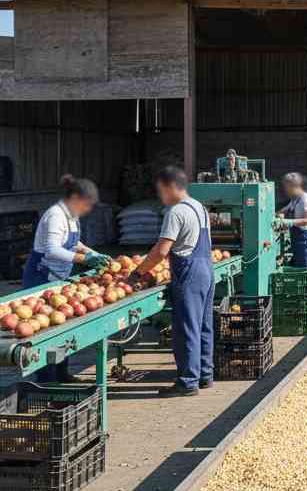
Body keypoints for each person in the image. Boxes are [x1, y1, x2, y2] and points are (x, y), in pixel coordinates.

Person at [130, 167, 214, 397]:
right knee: (203, 325)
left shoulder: (176, 212)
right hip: (206, 269)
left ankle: (187, 382)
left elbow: (161, 251)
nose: (161, 196)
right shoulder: (199, 207)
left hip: (189, 274)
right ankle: (205, 375)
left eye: (161, 190)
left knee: (187, 328)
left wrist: (138, 272)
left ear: (171, 187)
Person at [23, 175, 111, 382]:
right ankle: (46, 381)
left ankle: (62, 374)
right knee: (45, 330)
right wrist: (84, 259)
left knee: (62, 327)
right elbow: (52, 249)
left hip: (59, 278)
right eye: (86, 204)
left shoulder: (71, 216)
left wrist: (93, 253)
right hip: (41, 277)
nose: (87, 209)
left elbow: (73, 243)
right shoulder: (55, 215)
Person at [278, 172, 307, 269]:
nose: (285, 190)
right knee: (299, 270)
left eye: (287, 187)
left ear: (294, 186)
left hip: (306, 242)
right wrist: (275, 216)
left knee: (305, 271)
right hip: (298, 241)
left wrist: (288, 222)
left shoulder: (305, 201)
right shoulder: (295, 199)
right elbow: (285, 210)